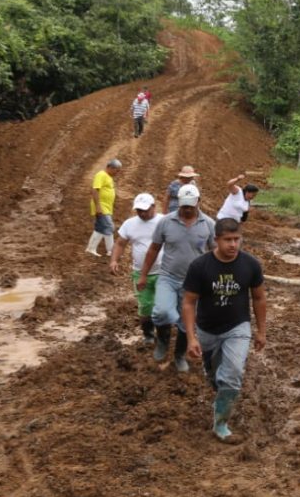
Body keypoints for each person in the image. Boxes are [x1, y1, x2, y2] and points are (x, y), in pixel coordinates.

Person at [182, 217, 268, 443]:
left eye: (236, 239)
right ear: (216, 240)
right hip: (207, 329)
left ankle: (221, 423)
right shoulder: (200, 266)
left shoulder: (250, 265)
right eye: (227, 240)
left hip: (237, 327)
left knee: (232, 376)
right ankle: (216, 383)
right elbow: (189, 302)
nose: (233, 245)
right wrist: (191, 338)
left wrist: (261, 331)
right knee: (214, 377)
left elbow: (259, 298)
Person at [139, 183, 216, 373]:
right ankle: (163, 343)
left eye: (191, 205)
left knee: (186, 321)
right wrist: (143, 274)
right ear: (179, 203)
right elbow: (154, 249)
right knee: (162, 312)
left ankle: (179, 355)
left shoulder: (209, 224)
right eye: (184, 205)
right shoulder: (165, 222)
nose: (187, 209)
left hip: (195, 283)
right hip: (168, 276)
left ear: (199, 202)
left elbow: (216, 252)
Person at [109, 193, 163, 345]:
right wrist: (114, 260)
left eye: (145, 210)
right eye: (139, 210)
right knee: (145, 306)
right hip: (140, 272)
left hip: (164, 272)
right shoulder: (130, 224)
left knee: (163, 305)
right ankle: (148, 335)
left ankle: (164, 334)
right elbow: (120, 244)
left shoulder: (163, 222)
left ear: (154, 207)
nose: (142, 213)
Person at [86, 159, 122, 258]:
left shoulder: (108, 177)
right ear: (110, 167)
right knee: (109, 227)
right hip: (101, 206)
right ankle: (111, 251)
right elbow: (95, 189)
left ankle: (91, 248)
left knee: (100, 228)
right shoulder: (101, 175)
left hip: (106, 207)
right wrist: (98, 206)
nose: (117, 173)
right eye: (117, 170)